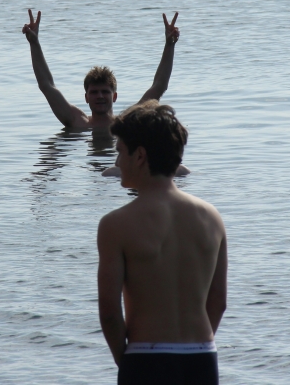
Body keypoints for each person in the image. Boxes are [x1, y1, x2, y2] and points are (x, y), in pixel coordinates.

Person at [97, 102, 227, 385]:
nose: (117, 162)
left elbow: (109, 311)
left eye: (120, 151)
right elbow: (218, 302)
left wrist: (126, 361)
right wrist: (197, 347)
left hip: (145, 357)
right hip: (203, 356)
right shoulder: (212, 218)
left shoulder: (116, 224)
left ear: (139, 156)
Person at [22, 9, 181, 130]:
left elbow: (159, 86)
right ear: (86, 97)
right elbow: (46, 85)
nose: (99, 96)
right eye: (94, 92)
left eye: (105, 92)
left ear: (114, 96)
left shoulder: (127, 123)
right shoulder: (77, 122)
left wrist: (169, 45)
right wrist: (34, 43)